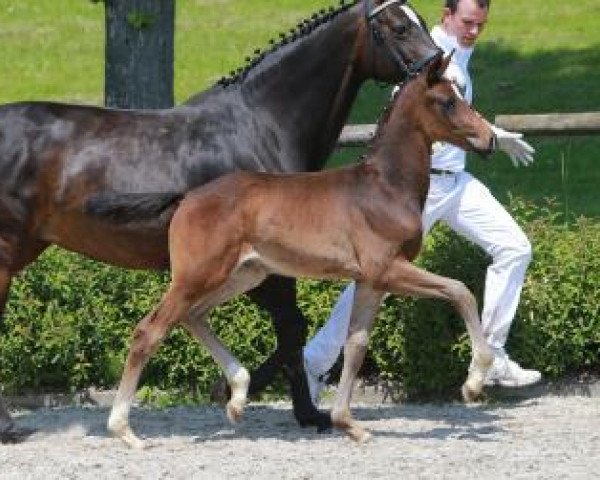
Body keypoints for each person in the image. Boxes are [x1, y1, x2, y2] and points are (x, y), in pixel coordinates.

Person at [302, 0, 542, 405]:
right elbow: (427, 107)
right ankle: (313, 361)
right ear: (446, 16)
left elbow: (459, 107)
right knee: (371, 276)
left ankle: (494, 353)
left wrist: (493, 134)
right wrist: (494, 136)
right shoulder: (427, 57)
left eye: (481, 24)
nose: (473, 31)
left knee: (515, 248)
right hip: (419, 189)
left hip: (457, 183)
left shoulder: (459, 54)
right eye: (467, 22)